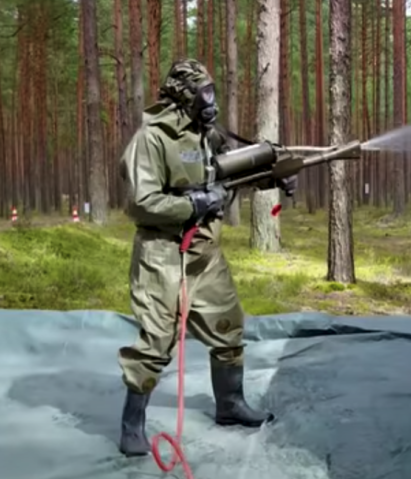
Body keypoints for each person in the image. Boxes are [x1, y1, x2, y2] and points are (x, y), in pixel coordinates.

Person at [116, 59, 296, 457]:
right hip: (162, 256)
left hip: (205, 254)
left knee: (228, 327)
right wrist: (193, 204)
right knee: (155, 343)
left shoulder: (206, 135)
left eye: (212, 91)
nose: (210, 101)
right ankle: (132, 425)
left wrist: (274, 176)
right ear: (184, 95)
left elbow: (228, 175)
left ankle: (229, 405)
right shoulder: (152, 140)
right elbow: (141, 203)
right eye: (204, 93)